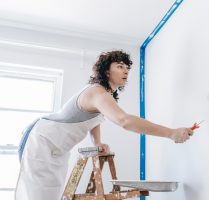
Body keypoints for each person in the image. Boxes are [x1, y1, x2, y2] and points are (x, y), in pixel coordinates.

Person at [15, 50, 195, 200]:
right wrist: (171, 133)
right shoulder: (97, 92)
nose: (125, 71)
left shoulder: (103, 96)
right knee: (36, 195)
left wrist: (97, 143)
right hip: (41, 140)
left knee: (51, 193)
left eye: (127, 67)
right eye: (119, 66)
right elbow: (124, 121)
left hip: (57, 148)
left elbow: (94, 120)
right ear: (106, 71)